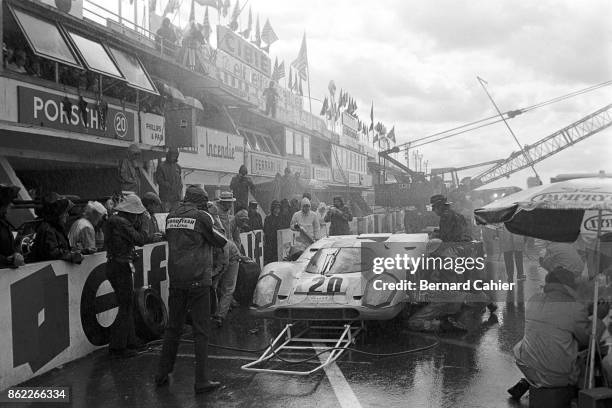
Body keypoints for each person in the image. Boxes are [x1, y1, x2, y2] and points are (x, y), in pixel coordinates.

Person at [155, 186, 227, 393]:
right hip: (198, 280)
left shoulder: (171, 216)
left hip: (177, 279)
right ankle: (202, 380)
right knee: (201, 331)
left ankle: (161, 373)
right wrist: (213, 215)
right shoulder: (202, 217)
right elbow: (220, 240)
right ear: (202, 202)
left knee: (173, 329)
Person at [509, 267, 608, 407]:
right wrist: (598, 317)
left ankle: (528, 381)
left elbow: (558, 319)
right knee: (588, 352)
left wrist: (586, 309)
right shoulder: (573, 307)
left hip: (527, 365)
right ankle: (580, 395)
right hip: (556, 377)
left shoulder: (533, 299)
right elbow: (587, 338)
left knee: (540, 340)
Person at [104, 194, 148, 358]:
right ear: (131, 212)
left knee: (127, 304)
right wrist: (143, 224)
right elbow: (141, 239)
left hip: (117, 264)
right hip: (120, 266)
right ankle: (118, 346)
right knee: (125, 306)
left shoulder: (115, 221)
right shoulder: (121, 222)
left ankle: (129, 340)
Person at [29, 193, 83, 264]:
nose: (67, 215)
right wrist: (71, 256)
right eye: (65, 212)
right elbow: (52, 252)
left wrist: (81, 251)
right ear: (59, 215)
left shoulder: (56, 227)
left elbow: (62, 248)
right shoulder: (48, 228)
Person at [211, 237, 240, 327]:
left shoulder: (222, 246)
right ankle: (215, 311)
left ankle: (219, 316)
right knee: (213, 286)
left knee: (227, 289)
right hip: (220, 258)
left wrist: (214, 276)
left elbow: (223, 266)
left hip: (232, 259)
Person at [0, 184, 24, 268]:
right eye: (8, 203)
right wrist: (7, 260)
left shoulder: (4, 222)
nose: (11, 205)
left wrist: (15, 254)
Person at [155, 147, 183, 211]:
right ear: (169, 155)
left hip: (176, 199)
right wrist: (167, 185)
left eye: (175, 155)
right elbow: (159, 180)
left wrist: (179, 192)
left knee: (176, 216)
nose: (173, 157)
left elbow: (180, 182)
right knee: (165, 215)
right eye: (172, 155)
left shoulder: (178, 167)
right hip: (166, 198)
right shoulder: (161, 166)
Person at [263, 200, 284, 264]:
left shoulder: (280, 218)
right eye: (275, 208)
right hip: (270, 242)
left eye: (278, 208)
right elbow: (266, 230)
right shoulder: (268, 218)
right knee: (270, 260)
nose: (277, 210)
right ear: (272, 208)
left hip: (278, 242)